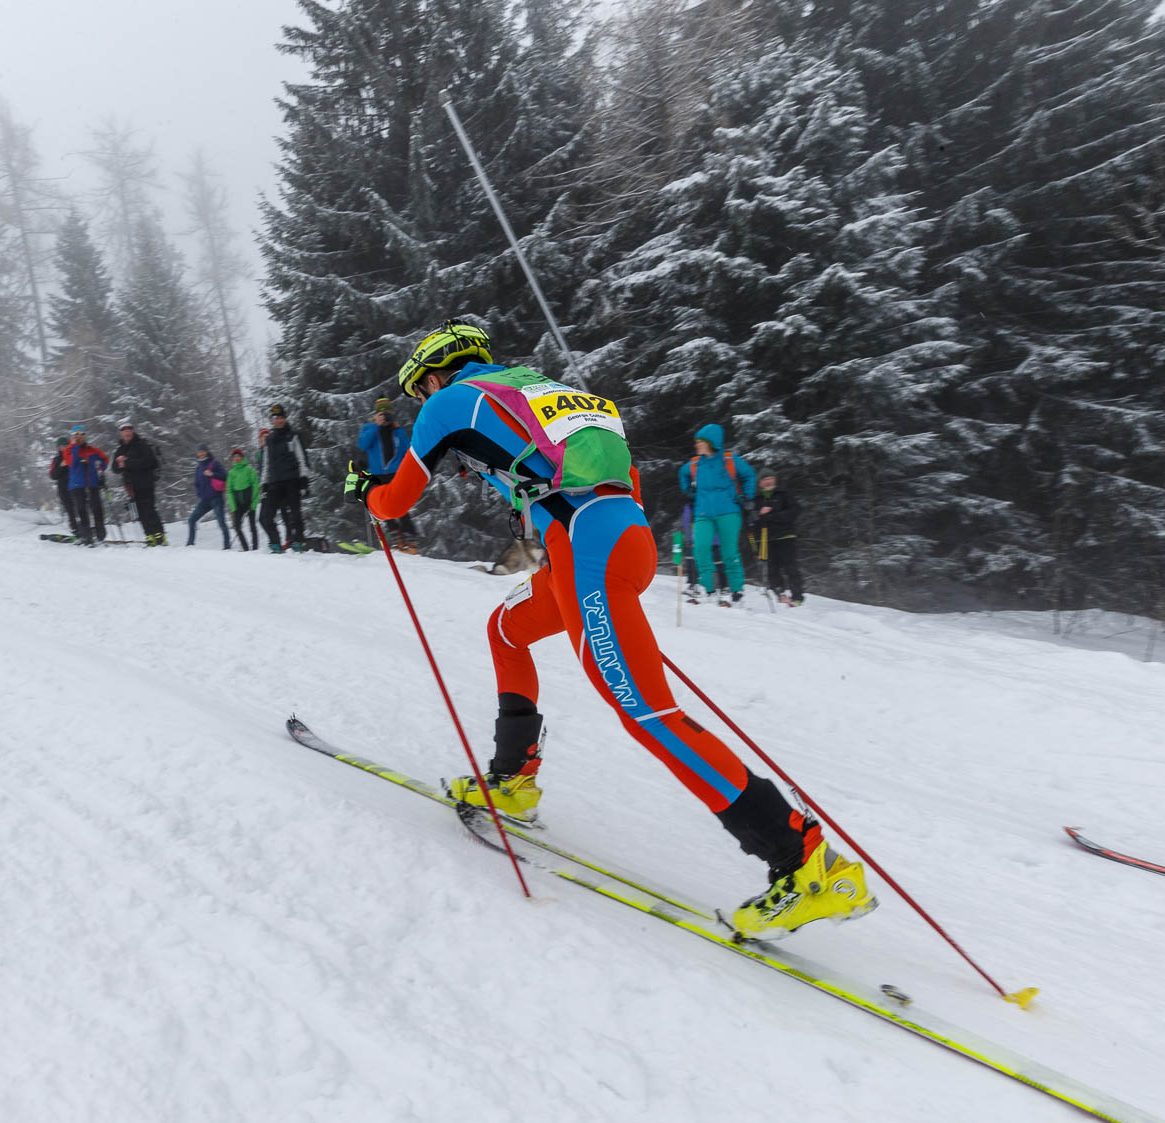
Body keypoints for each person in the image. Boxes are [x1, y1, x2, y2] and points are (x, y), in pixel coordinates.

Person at [350, 322, 873, 939]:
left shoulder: (448, 403)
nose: (421, 401)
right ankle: (514, 780)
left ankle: (807, 863)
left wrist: (366, 489)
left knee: (648, 716)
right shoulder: (540, 390)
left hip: (587, 550)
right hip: (616, 535)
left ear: (435, 373)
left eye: (420, 389)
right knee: (507, 628)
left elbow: (393, 502)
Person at [679, 425, 757, 607]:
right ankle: (708, 589)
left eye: (700, 442)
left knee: (729, 551)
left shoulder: (730, 459)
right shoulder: (696, 463)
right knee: (700, 548)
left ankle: (736, 591)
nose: (697, 445)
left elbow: (749, 476)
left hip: (729, 512)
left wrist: (747, 495)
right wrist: (688, 490)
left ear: (711, 443)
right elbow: (682, 474)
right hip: (703, 513)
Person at [356, 397, 418, 552]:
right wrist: (375, 426)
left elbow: (406, 450)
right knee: (385, 505)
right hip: (377, 473)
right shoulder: (369, 428)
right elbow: (362, 444)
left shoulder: (397, 430)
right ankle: (395, 537)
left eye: (388, 412)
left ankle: (409, 537)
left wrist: (410, 469)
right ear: (376, 414)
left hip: (395, 471)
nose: (385, 416)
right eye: (382, 413)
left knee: (400, 504)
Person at [258, 404, 309, 552]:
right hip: (274, 482)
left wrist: (304, 479)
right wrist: (264, 484)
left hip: (292, 480)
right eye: (276, 418)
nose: (279, 420)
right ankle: (275, 543)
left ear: (285, 418)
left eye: (281, 417)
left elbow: (301, 459)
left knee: (295, 514)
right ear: (272, 420)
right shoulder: (269, 440)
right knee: (266, 516)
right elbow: (266, 463)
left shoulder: (292, 436)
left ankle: (298, 542)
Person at [754, 474, 804, 605]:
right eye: (764, 479)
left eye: (770, 478)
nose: (768, 482)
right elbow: (752, 519)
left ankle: (797, 596)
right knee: (771, 568)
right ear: (760, 483)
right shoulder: (757, 499)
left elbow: (795, 511)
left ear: (775, 480)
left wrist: (772, 515)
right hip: (765, 538)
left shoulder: (783, 494)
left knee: (790, 566)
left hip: (785, 535)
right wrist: (760, 515)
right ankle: (779, 593)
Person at [112, 424, 166, 546]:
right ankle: (150, 537)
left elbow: (148, 462)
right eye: (124, 432)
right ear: (121, 434)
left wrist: (127, 463)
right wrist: (120, 465)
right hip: (131, 486)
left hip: (146, 482)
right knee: (140, 513)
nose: (127, 434)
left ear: (132, 432)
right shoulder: (120, 450)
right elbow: (114, 468)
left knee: (149, 510)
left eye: (129, 431)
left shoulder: (142, 445)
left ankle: (160, 537)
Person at [61, 428, 110, 544]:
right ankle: (86, 536)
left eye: (82, 434)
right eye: (76, 434)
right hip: (77, 485)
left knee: (97, 509)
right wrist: (75, 446)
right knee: (81, 510)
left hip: (92, 483)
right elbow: (71, 463)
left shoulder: (92, 450)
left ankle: (100, 536)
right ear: (72, 437)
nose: (79, 437)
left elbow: (105, 459)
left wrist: (100, 469)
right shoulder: (69, 450)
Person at [186, 445, 231, 548]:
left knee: (221, 523)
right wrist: (199, 493)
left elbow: (225, 476)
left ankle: (227, 546)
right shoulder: (198, 467)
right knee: (191, 520)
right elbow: (196, 483)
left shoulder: (214, 463)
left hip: (216, 498)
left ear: (207, 452)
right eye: (199, 451)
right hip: (204, 500)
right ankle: (190, 544)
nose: (201, 453)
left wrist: (213, 474)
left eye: (203, 451)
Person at [225, 447, 260, 550]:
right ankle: (245, 548)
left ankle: (255, 548)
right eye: (234, 457)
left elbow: (256, 486)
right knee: (237, 526)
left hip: (249, 502)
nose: (236, 458)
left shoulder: (249, 469)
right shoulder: (231, 473)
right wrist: (233, 507)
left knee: (252, 526)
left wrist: (253, 504)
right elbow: (229, 490)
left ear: (242, 457)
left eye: (238, 456)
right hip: (238, 504)